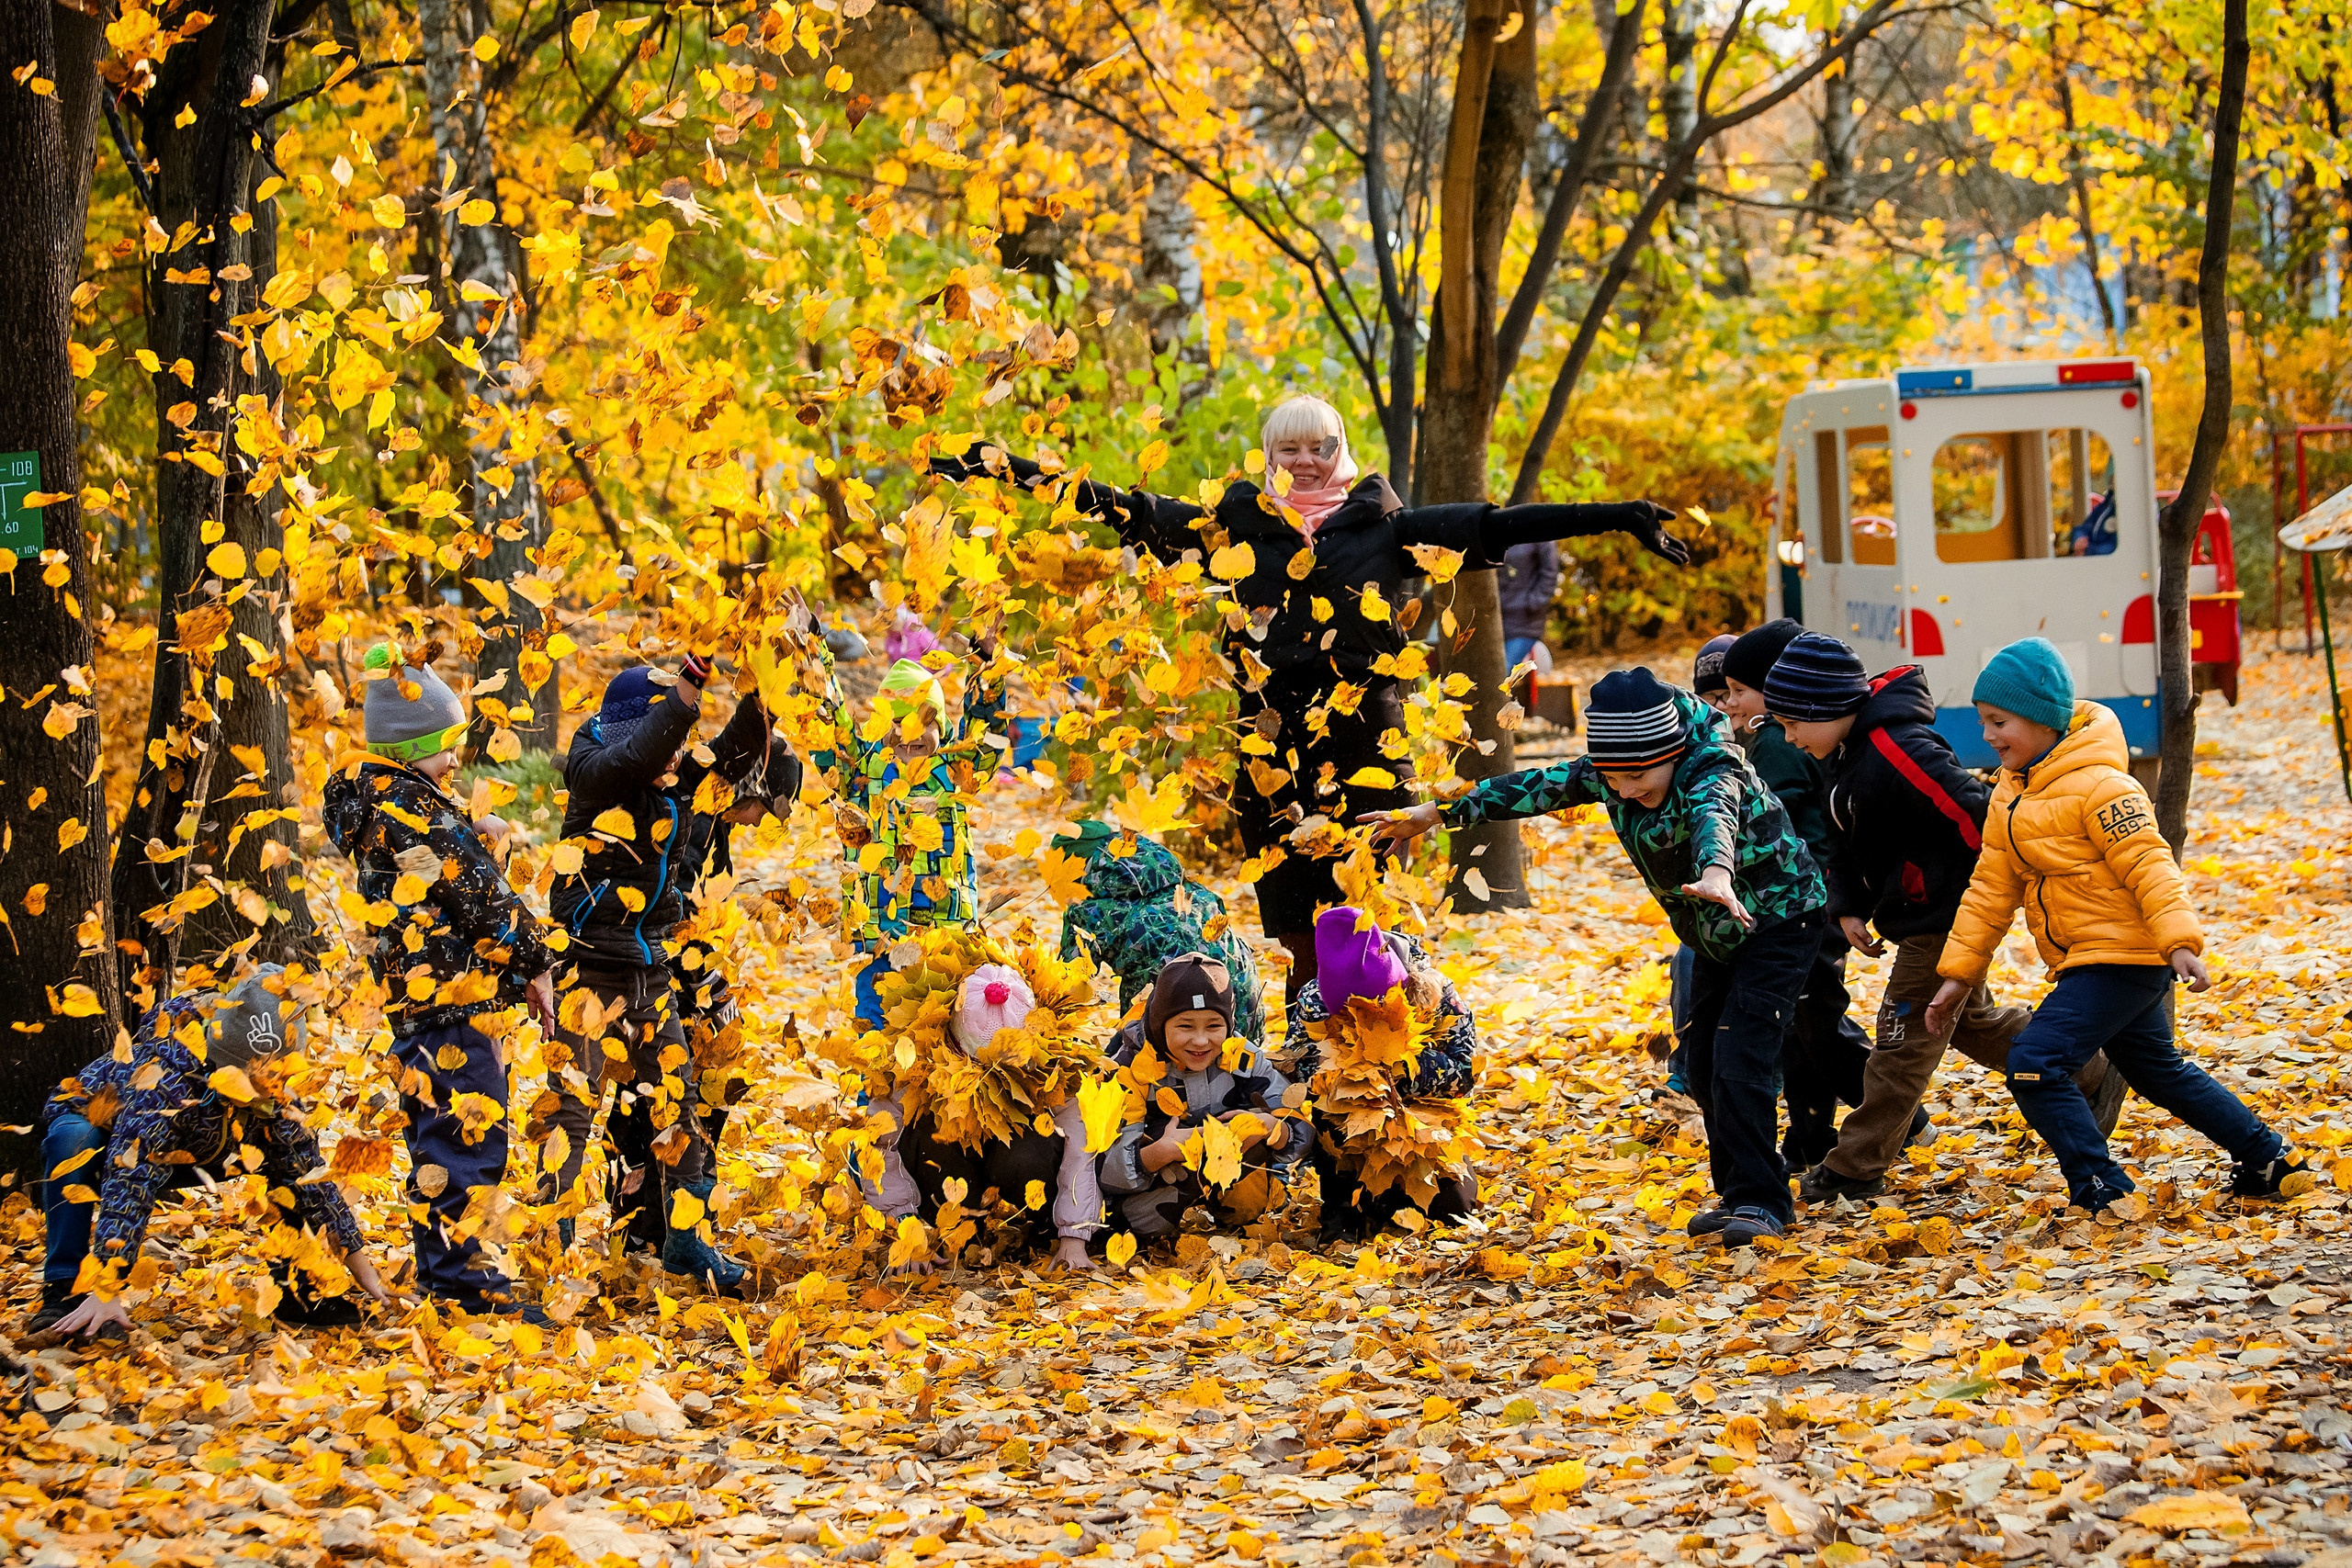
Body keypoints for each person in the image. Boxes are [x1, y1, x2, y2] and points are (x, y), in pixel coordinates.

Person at [931, 394, 1686, 1003]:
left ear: (1339, 451)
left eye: (1317, 446)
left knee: (1359, 923)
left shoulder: (1389, 528)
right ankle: (1308, 1062)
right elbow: (1116, 505)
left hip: (1366, 746)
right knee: (1296, 931)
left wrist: (1617, 515)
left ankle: (1380, 1061)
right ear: (1269, 457)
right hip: (1272, 753)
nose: (1303, 460)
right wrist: (999, 465)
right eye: (1288, 448)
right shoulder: (1227, 528)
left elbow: (1498, 524)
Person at [1366, 668, 1826, 1247]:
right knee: (1705, 1066)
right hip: (1715, 930)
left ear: (1674, 752)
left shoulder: (1712, 768)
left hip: (1778, 919)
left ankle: (1762, 1202)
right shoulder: (1611, 774)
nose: (1628, 789)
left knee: (1741, 1055)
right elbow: (1535, 787)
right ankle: (1743, 1191)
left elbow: (1717, 817)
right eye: (1614, 777)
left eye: (1640, 775)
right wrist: (1433, 814)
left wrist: (1715, 871)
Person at [1927, 638, 2312, 1214]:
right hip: (2088, 958)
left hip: (2123, 958)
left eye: (1999, 721)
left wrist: (2179, 941)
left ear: (2041, 718)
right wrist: (1959, 974)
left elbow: (2151, 865)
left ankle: (2102, 1186)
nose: (1987, 735)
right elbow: (1991, 890)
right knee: (2158, 1072)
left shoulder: (2106, 786)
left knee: (2035, 1064)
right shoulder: (2011, 791)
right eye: (1984, 721)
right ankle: (2270, 1159)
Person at [1765, 632, 2111, 1204]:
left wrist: (1977, 895)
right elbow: (1844, 835)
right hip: (1914, 912)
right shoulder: (1842, 753)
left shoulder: (1900, 751)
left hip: (1946, 916)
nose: (1788, 736)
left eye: (1792, 722)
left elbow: (1978, 817)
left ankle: (1856, 1164)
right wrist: (1850, 903)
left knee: (1900, 1040)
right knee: (1968, 1023)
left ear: (1825, 709)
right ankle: (2087, 1066)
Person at [323, 644, 557, 1315]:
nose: (454, 758)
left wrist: (473, 837)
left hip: (418, 1005)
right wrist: (536, 957)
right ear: (405, 749)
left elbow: (439, 885)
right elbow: (480, 899)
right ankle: (466, 1284)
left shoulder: (384, 806)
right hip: (454, 1004)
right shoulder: (412, 809)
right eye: (441, 745)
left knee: (439, 1138)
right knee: (469, 1138)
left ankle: (445, 1273)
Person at [540, 657, 780, 1294]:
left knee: (682, 1100)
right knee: (571, 1112)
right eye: (667, 742)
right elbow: (639, 753)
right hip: (587, 974)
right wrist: (679, 702)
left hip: (649, 973)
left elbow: (727, 753)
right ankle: (555, 1259)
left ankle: (687, 1242)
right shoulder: (595, 769)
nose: (677, 757)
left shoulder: (669, 774)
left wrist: (774, 686)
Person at [32, 966, 395, 1340]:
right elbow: (130, 1178)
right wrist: (106, 1286)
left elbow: (309, 1179)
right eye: (246, 1081)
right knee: (72, 1142)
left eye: (272, 1083)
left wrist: (362, 1269)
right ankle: (64, 1291)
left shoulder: (276, 1098)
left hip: (200, 1149)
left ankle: (297, 1290)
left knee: (289, 1165)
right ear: (219, 1061)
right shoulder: (166, 1081)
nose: (260, 1093)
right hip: (108, 1134)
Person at [602, 731, 804, 1256]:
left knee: (690, 1092)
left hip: (678, 976)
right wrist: (707, 984)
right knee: (660, 1095)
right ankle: (645, 1223)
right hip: (653, 976)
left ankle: (672, 1223)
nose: (761, 821)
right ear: (748, 786)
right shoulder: (695, 815)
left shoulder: (714, 820)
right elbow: (670, 912)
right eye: (764, 806)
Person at [1716, 622, 1871, 1166]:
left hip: (1805, 900)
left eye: (1738, 691)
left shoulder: (1777, 749)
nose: (1729, 703)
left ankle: (1895, 1113)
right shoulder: (1769, 740)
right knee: (1803, 1029)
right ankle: (1810, 1140)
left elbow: (1770, 828)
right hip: (1808, 898)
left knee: (1814, 1023)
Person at [800, 628, 1006, 1029]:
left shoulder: (956, 771)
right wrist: (812, 652)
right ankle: (875, 1095)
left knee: (942, 1032)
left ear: (941, 727)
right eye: (897, 721)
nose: (908, 733)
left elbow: (985, 733)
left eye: (922, 722)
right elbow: (828, 728)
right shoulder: (861, 773)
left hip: (945, 931)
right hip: (878, 931)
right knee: (877, 1031)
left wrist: (988, 669)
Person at [861, 955, 1108, 1271]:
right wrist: (904, 1226)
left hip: (1019, 1187)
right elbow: (881, 1144)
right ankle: (955, 1232)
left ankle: (1031, 1229)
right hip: (947, 1191)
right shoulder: (916, 1058)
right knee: (926, 1133)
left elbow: (1081, 1149)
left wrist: (1074, 1236)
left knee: (1033, 1147)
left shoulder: (1052, 1067)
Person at [1282, 907, 1477, 1241]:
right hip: (1350, 1125)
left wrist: (1403, 1067)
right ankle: (1342, 1202)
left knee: (1453, 1209)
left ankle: (1402, 1194)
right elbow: (1295, 1066)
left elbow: (1465, 1074)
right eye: (1350, 1011)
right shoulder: (1314, 1001)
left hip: (1425, 1123)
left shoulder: (1437, 993)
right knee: (1331, 1119)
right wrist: (1342, 1070)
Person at [1100, 953, 1312, 1241]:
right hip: (1155, 1179)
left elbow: (1298, 1122)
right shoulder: (1128, 1066)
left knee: (1249, 1202)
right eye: (1185, 1026)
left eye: (1213, 1026)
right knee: (1147, 1227)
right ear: (1161, 1025)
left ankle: (1233, 1206)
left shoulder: (1240, 1055)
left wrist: (1274, 1128)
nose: (1200, 1041)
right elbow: (1100, 1166)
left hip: (1224, 1164)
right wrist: (1161, 1152)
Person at [1054, 821, 1264, 1045]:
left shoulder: (1084, 909)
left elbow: (1070, 988)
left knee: (1121, 1057)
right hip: (1242, 1022)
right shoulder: (1184, 883)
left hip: (1170, 1035)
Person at [1498, 539, 1562, 673]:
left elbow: (1550, 573)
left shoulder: (1539, 532)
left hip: (1524, 624)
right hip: (1494, 620)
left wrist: (1532, 602)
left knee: (1502, 671)